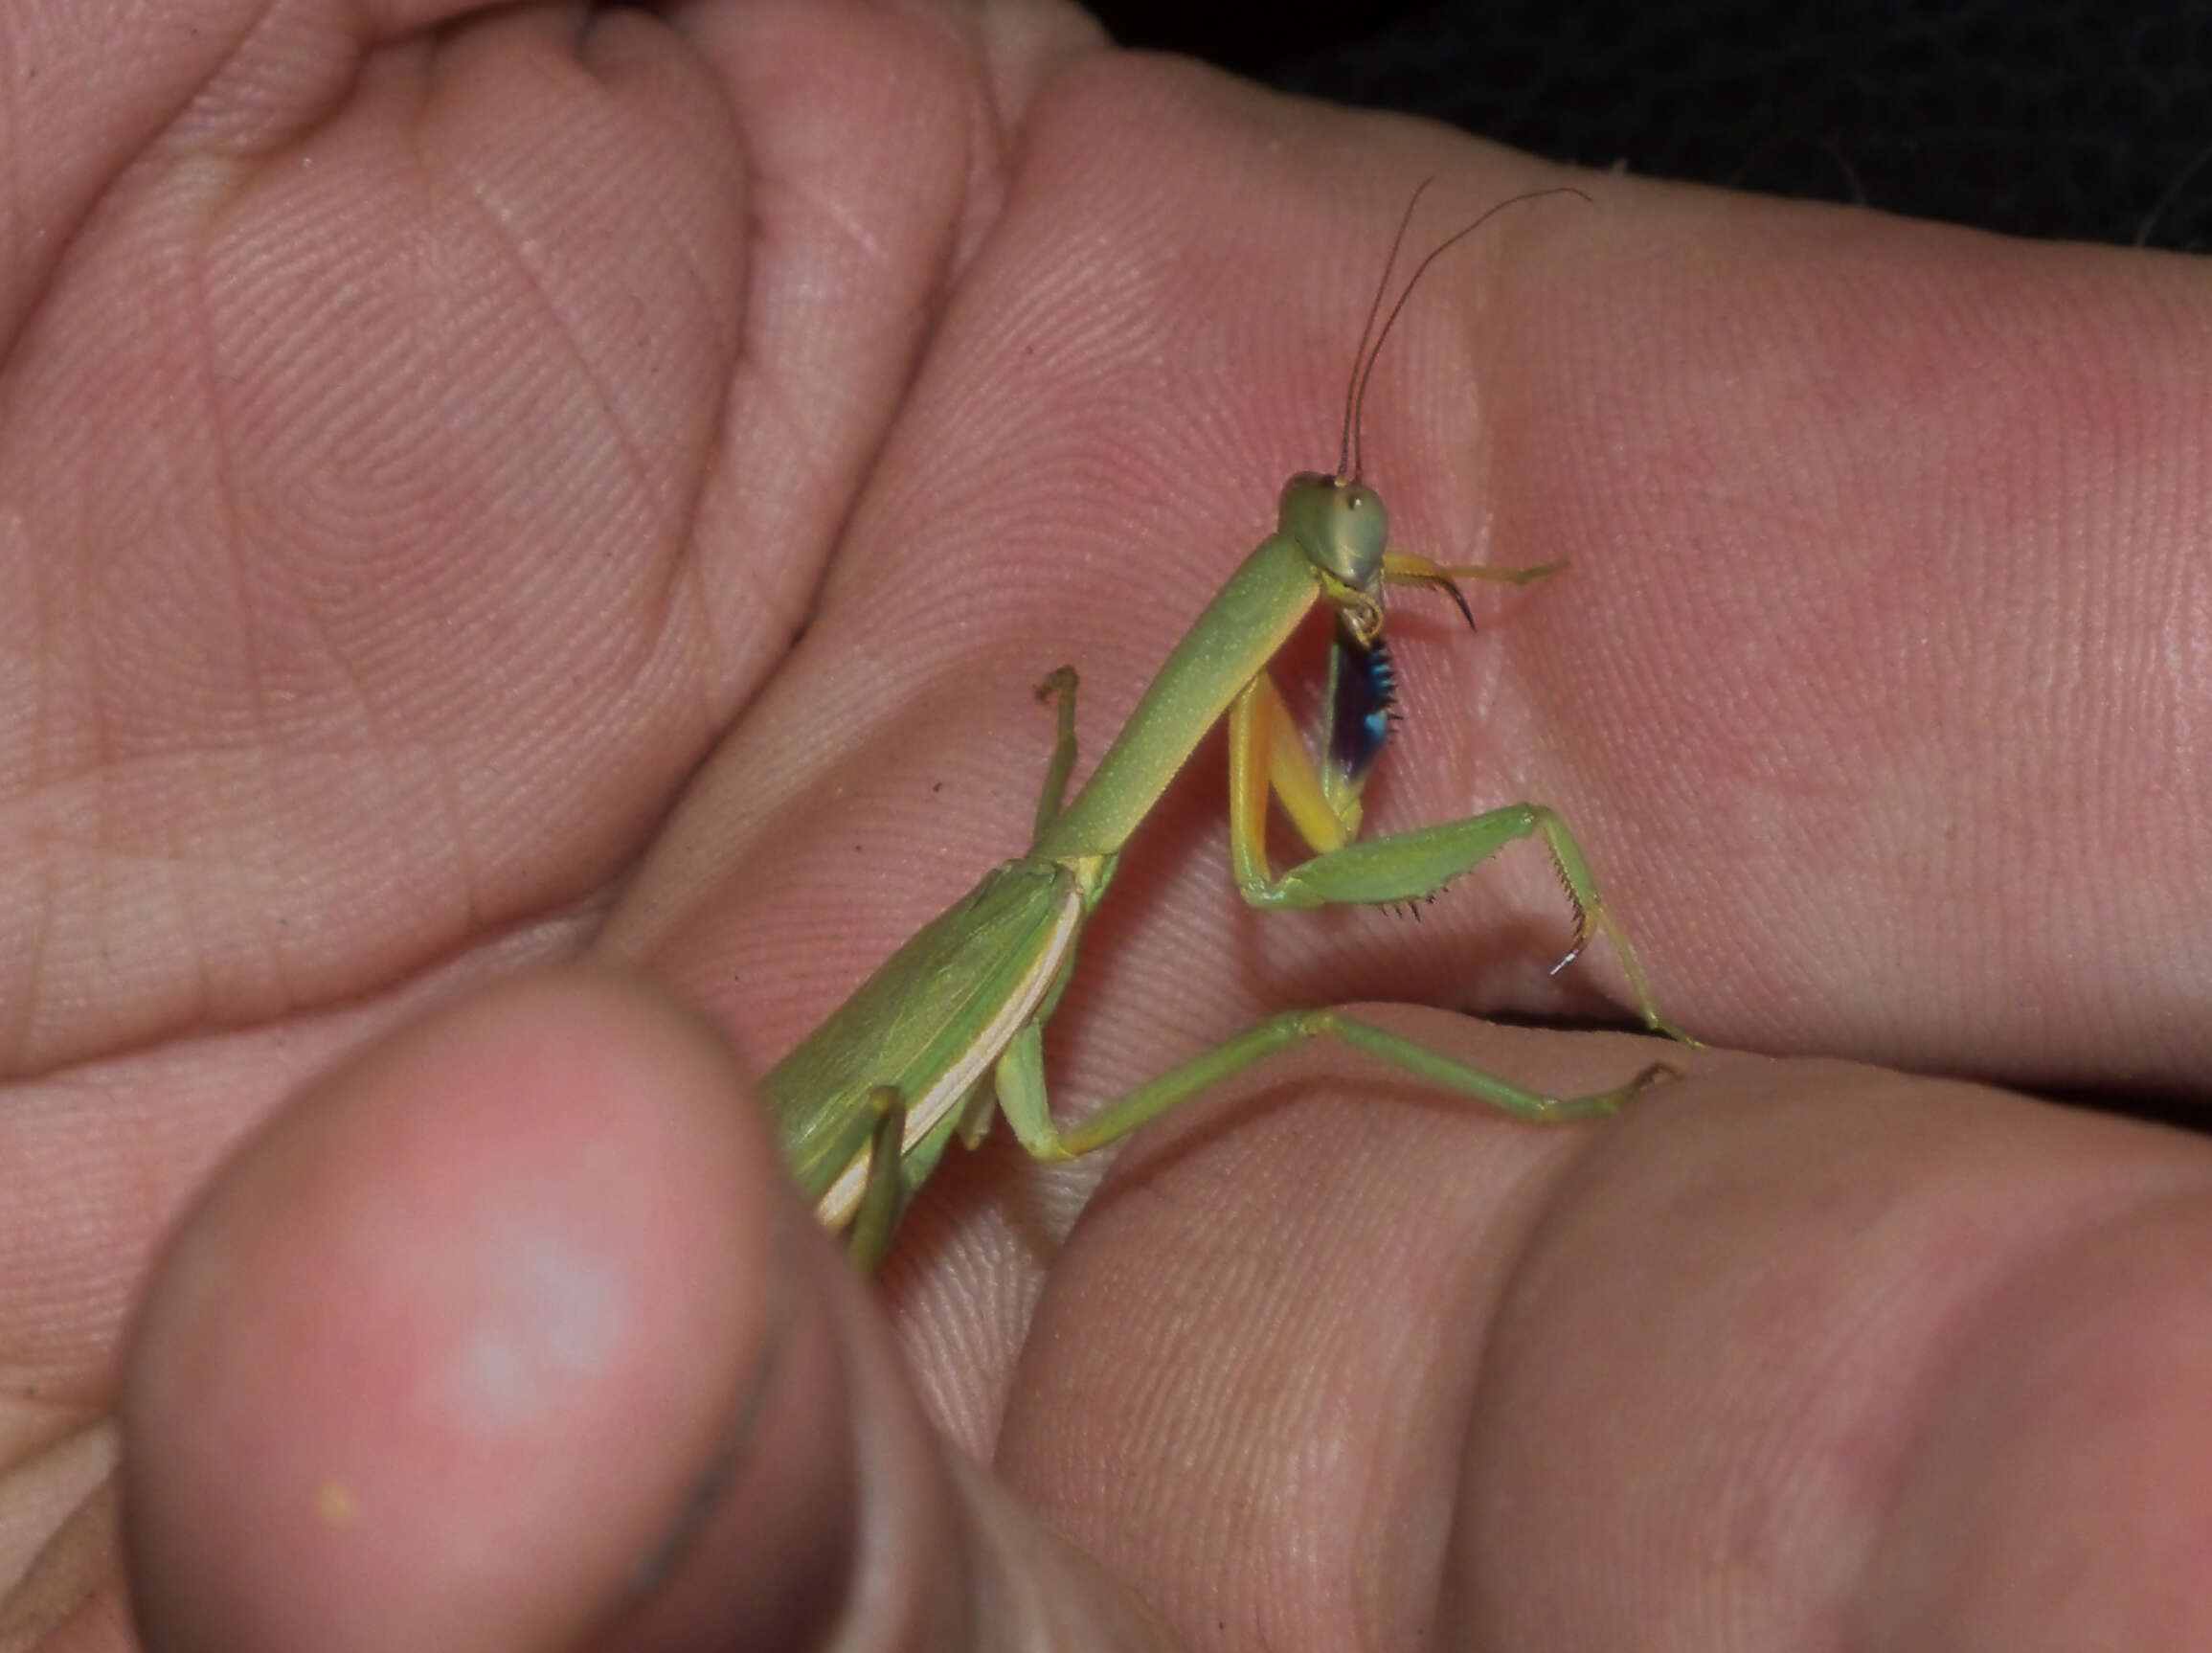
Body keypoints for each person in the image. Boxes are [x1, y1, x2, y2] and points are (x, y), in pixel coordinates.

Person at [6, 1, 2206, 1646]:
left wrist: (1350, 614)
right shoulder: (1091, 848)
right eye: (1347, 568)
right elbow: (1252, 879)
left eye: (1355, 569)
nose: (1363, 590)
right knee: (1246, 1038)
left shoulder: (1131, 789)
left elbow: (1258, 803)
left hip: (868, 1062)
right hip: (775, 1189)